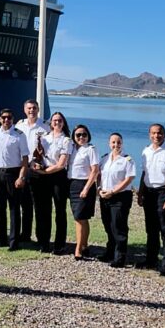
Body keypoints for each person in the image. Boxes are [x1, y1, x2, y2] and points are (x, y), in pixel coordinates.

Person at [137, 123, 165, 276]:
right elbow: (145, 174)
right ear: (149, 134)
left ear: (164, 134)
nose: (157, 136)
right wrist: (140, 193)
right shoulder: (146, 151)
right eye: (154, 133)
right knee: (151, 228)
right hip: (149, 192)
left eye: (160, 133)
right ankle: (151, 260)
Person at [31, 112, 73, 254]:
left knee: (60, 211)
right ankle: (44, 242)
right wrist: (38, 166)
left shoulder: (67, 140)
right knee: (44, 210)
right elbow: (38, 156)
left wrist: (45, 171)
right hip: (43, 177)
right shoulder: (44, 138)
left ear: (63, 122)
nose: (57, 123)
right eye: (54, 120)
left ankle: (60, 244)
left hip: (58, 177)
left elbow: (61, 164)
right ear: (51, 123)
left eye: (60, 120)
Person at [0, 108, 30, 250]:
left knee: (14, 208)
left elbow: (25, 159)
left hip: (14, 174)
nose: (6, 120)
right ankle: (1, 239)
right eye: (4, 118)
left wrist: (21, 177)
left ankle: (13, 242)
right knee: (0, 208)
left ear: (13, 119)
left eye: (9, 118)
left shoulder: (19, 135)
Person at [98, 133, 136, 268]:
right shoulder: (104, 159)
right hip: (104, 196)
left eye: (118, 142)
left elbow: (129, 179)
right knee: (108, 225)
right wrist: (99, 189)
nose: (116, 145)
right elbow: (98, 175)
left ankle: (120, 257)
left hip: (120, 197)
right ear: (109, 143)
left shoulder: (127, 160)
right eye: (113, 142)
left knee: (118, 226)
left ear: (122, 143)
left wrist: (113, 191)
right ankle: (109, 252)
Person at [15, 99, 48, 243]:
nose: (31, 111)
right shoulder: (19, 125)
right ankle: (25, 235)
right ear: (24, 110)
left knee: (39, 206)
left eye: (34, 108)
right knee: (25, 205)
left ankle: (41, 237)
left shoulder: (45, 127)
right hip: (22, 168)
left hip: (37, 170)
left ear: (38, 109)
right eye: (29, 108)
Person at [69, 124, 100, 260]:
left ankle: (78, 249)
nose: (81, 137)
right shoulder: (72, 148)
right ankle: (85, 245)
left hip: (84, 184)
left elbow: (95, 170)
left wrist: (86, 188)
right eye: (78, 135)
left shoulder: (91, 149)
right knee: (82, 218)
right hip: (72, 184)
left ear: (88, 135)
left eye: (84, 134)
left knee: (79, 217)